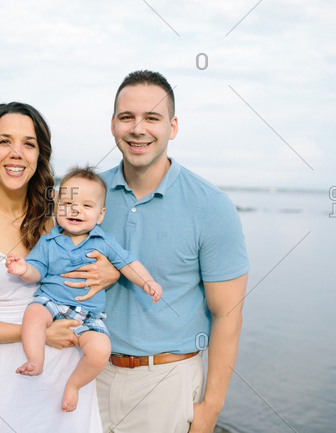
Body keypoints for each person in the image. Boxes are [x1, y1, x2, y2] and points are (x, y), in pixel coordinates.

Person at [61, 70, 250, 433]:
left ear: (172, 126)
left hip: (166, 384)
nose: (138, 128)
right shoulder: (84, 198)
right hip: (86, 373)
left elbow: (227, 314)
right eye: (127, 117)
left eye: (152, 118)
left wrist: (211, 406)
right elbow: (52, 264)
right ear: (113, 124)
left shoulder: (212, 206)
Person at [0, 102, 111, 433]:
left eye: (28, 144)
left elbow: (100, 257)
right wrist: (39, 334)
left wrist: (113, 271)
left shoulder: (57, 222)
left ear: (39, 156)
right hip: (9, 377)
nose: (16, 153)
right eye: (5, 141)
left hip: (68, 381)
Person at [6, 167, 162, 412]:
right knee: (33, 314)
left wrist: (147, 282)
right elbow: (37, 269)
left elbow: (129, 263)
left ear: (100, 215)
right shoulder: (48, 241)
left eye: (87, 206)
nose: (76, 209)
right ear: (57, 208)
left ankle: (74, 385)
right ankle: (35, 359)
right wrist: (24, 269)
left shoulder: (104, 242)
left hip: (89, 313)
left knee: (101, 351)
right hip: (52, 301)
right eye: (68, 203)